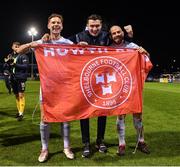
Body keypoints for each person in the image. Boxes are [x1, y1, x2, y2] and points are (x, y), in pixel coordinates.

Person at [69, 14, 134, 158]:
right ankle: (86, 143)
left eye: (97, 26)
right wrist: (75, 46)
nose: (94, 28)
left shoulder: (106, 36)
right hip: (85, 80)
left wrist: (129, 36)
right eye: (91, 26)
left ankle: (100, 140)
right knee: (84, 113)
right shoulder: (79, 36)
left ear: (101, 25)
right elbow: (62, 45)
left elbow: (119, 41)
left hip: (102, 80)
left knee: (102, 112)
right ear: (87, 25)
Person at [16, 13, 74, 162]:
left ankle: (67, 147)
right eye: (53, 22)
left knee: (65, 118)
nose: (55, 25)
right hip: (47, 87)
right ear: (48, 25)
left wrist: (84, 47)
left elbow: (82, 55)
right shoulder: (41, 42)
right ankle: (44, 149)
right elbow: (18, 50)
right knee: (45, 118)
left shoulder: (67, 42)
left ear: (62, 26)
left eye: (58, 22)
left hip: (64, 86)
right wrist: (30, 44)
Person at [109, 25, 150, 156]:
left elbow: (145, 58)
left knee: (137, 116)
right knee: (120, 115)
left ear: (123, 32)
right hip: (118, 87)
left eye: (118, 32)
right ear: (111, 36)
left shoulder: (132, 46)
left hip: (133, 86)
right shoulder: (108, 49)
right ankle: (121, 144)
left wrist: (145, 52)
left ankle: (141, 141)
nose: (116, 34)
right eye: (114, 33)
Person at [7, 42, 29, 121]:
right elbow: (10, 67)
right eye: (15, 46)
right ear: (12, 47)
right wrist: (7, 64)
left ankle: (21, 114)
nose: (16, 47)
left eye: (18, 46)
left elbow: (26, 66)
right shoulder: (11, 56)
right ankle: (19, 111)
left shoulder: (23, 55)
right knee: (16, 96)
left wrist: (14, 64)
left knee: (21, 95)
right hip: (13, 78)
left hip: (21, 78)